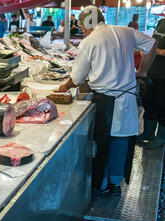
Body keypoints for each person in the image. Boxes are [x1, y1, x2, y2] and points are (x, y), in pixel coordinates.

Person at [56, 6, 157, 196]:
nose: (83, 31)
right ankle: (115, 183)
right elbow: (152, 44)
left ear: (86, 24)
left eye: (83, 27)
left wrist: (64, 87)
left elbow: (77, 78)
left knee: (102, 143)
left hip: (105, 101)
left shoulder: (88, 42)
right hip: (126, 98)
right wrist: (142, 71)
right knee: (121, 141)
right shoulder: (126, 31)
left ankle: (100, 185)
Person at [138, 18, 165, 147]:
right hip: (152, 72)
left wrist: (157, 51)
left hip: (164, 75)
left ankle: (161, 139)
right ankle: (148, 133)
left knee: (162, 106)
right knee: (149, 103)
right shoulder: (161, 22)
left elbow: (155, 47)